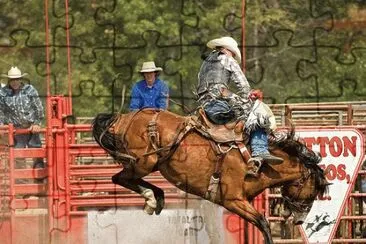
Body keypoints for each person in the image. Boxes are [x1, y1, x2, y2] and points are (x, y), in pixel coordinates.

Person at [196, 36, 283, 176]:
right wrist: (251, 95)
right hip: (219, 103)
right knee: (258, 110)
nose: (234, 56)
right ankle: (260, 149)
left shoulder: (206, 62)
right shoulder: (227, 59)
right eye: (234, 53)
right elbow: (243, 86)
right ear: (227, 50)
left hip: (204, 105)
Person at [0, 66, 45, 171]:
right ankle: (21, 182)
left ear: (21, 79)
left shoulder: (30, 90)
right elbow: (0, 110)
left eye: (17, 79)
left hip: (31, 128)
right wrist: (1, 126)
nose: (15, 82)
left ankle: (39, 180)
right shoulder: (3, 93)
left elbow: (38, 107)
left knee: (37, 153)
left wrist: (37, 123)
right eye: (12, 80)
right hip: (16, 130)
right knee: (17, 157)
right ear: (9, 80)